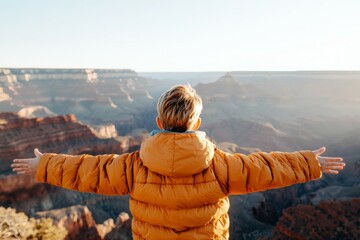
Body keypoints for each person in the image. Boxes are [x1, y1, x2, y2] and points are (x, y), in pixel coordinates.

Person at [12, 85, 345, 240]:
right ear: (196, 124)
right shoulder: (221, 165)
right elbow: (266, 168)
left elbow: (89, 172)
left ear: (158, 119)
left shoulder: (132, 166)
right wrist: (308, 163)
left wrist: (45, 165)